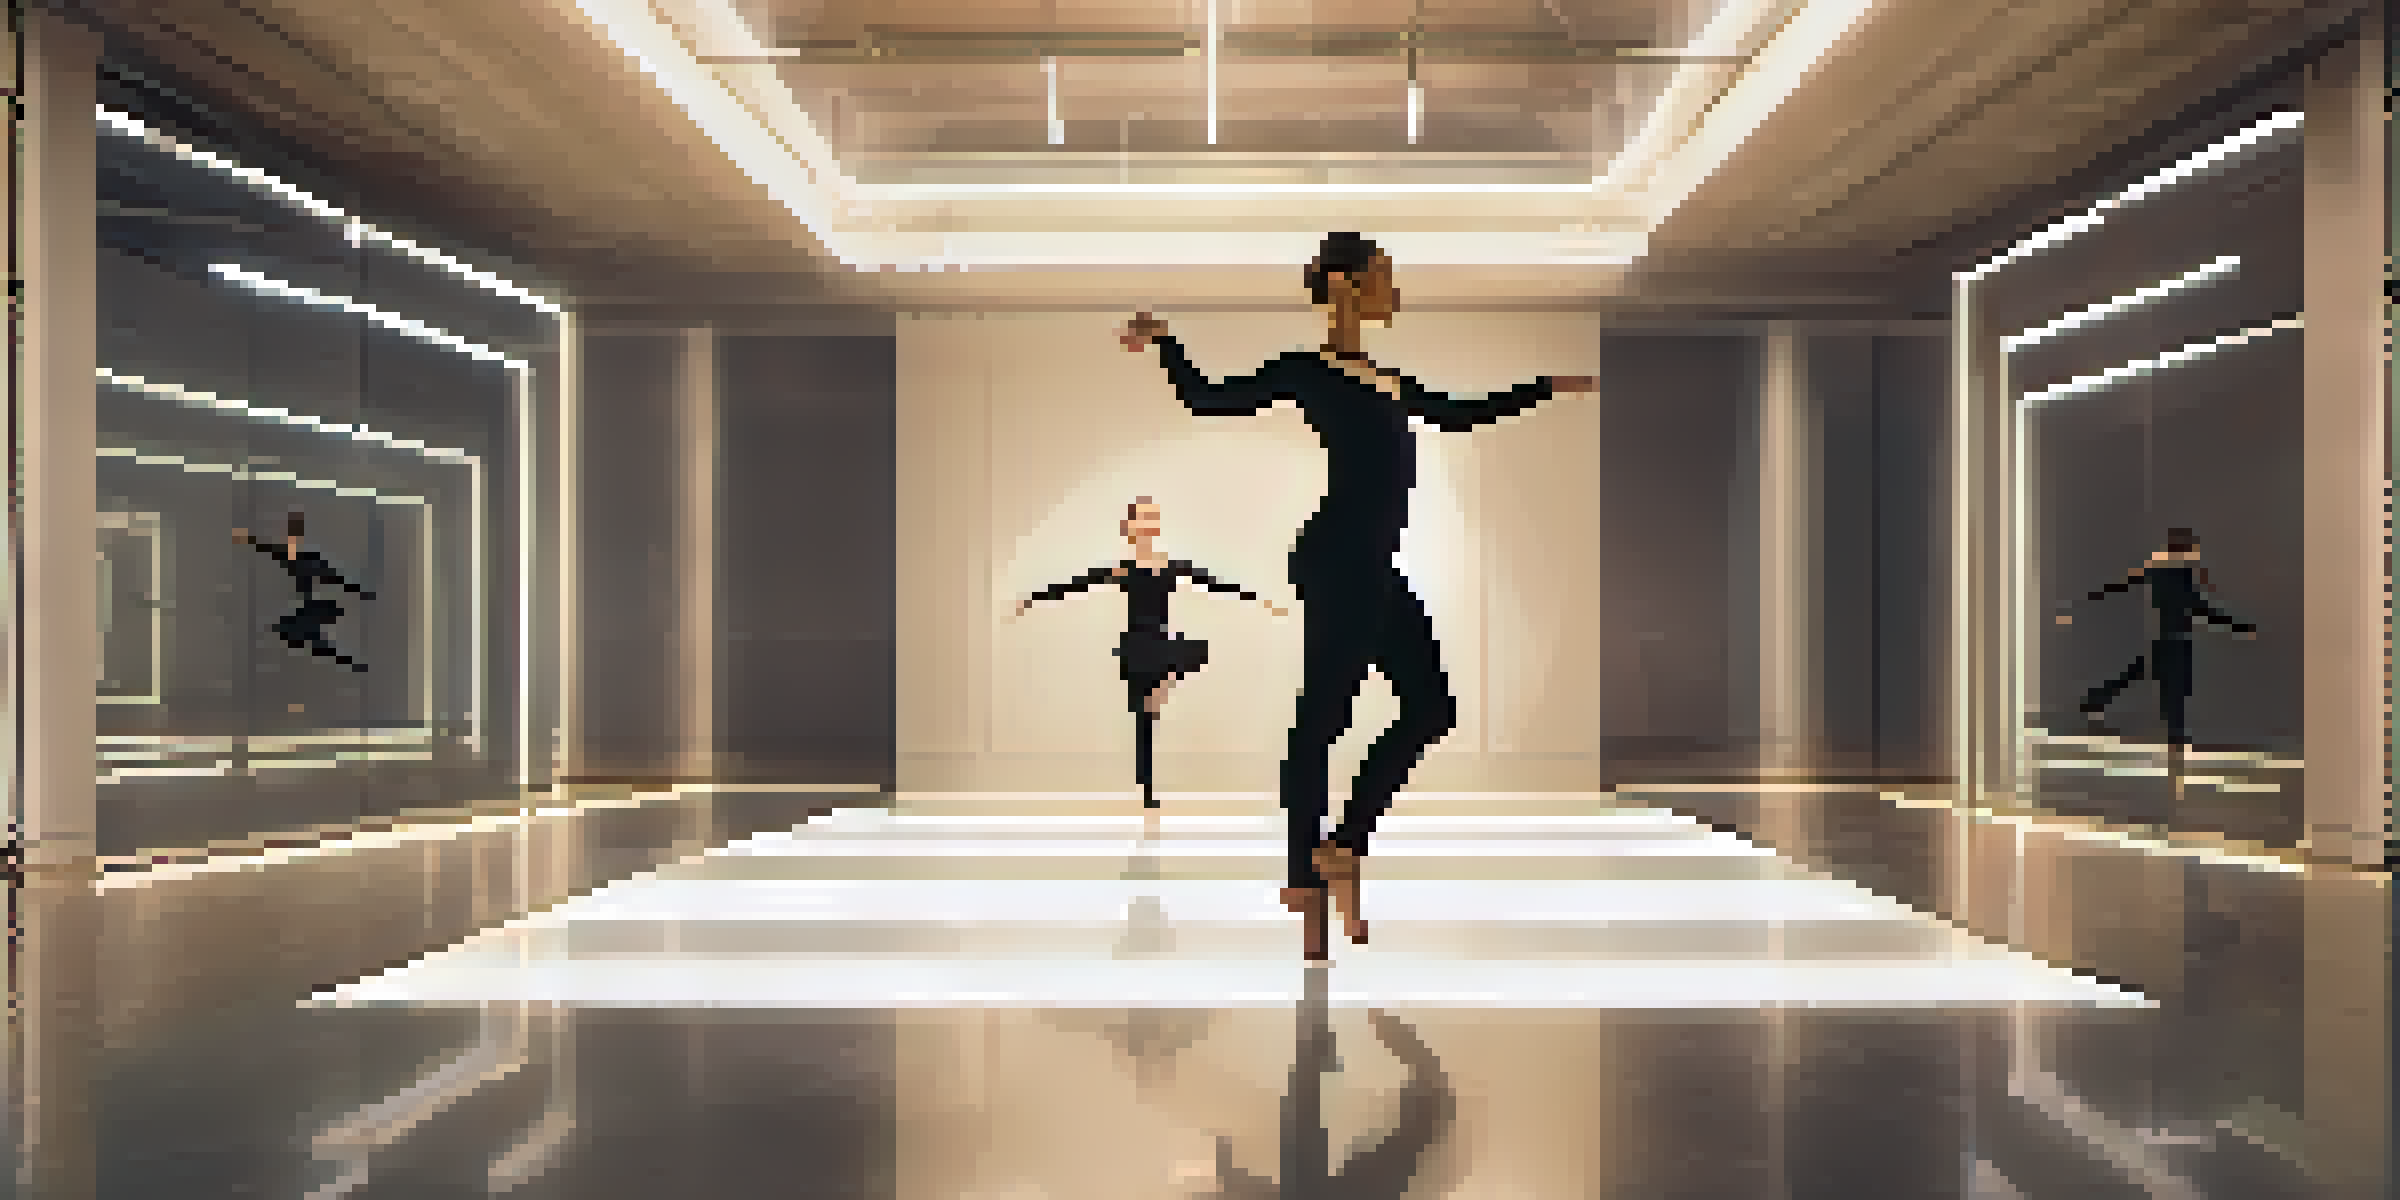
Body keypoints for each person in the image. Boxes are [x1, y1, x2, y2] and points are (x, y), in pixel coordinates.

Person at [1121, 231, 1599, 961]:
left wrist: (1545, 388)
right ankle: (1303, 876)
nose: (1394, 288)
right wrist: (1165, 342)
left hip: (1371, 564)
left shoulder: (1386, 378)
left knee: (1431, 707)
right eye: (1383, 273)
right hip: (1336, 559)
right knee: (1323, 718)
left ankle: (1341, 846)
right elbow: (1209, 398)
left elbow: (1456, 413)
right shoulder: (1305, 372)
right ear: (1346, 284)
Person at [1017, 497, 1285, 811]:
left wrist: (1259, 600)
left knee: (1194, 652)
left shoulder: (1170, 566)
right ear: (1129, 528)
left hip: (1161, 643)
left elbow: (1214, 583)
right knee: (1143, 722)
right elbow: (1078, 584)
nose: (1145, 525)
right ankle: (1147, 790)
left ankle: (1164, 684)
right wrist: (1032, 598)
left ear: (1156, 526)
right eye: (1139, 520)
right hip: (1135, 647)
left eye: (1150, 519)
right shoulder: (1123, 569)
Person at [2055, 526, 2256, 761]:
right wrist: (2238, 626)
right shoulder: (2177, 575)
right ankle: (2174, 740)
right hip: (2176, 641)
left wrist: (2077, 609)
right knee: (2172, 689)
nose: (2196, 553)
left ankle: (2097, 703)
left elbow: (2114, 589)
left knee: (2146, 678)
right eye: (2193, 548)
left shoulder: (2158, 571)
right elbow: (2199, 607)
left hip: (2166, 639)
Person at [236, 510, 374, 671]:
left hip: (313, 607)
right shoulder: (290, 555)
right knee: (306, 636)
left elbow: (334, 576)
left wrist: (359, 592)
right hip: (308, 607)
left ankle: (351, 662)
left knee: (310, 637)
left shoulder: (307, 559)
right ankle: (350, 662)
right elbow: (266, 546)